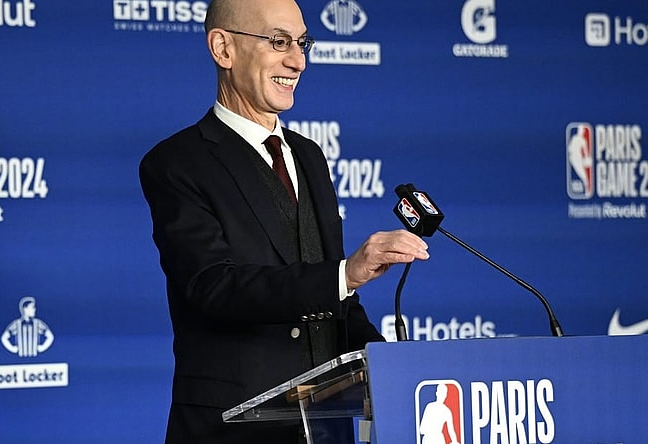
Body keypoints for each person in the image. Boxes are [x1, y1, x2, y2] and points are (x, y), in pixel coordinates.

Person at [138, 0, 430, 442]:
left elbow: (334, 297)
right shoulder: (177, 163)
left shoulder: (309, 156)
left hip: (325, 429)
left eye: (303, 43)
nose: (298, 61)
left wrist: (394, 371)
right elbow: (214, 287)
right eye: (279, 42)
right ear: (223, 49)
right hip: (230, 430)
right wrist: (344, 274)